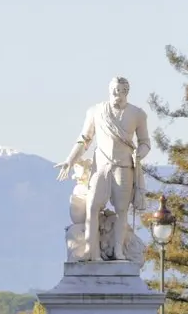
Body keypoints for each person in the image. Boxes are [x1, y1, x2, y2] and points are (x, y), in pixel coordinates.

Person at [55, 76, 151, 262]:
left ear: (127, 92)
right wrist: (70, 159)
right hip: (101, 166)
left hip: (123, 166)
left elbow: (145, 142)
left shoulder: (138, 114)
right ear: (110, 91)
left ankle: (118, 251)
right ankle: (92, 251)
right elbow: (84, 139)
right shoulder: (96, 111)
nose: (118, 94)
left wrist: (139, 154)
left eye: (122, 90)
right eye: (115, 90)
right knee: (92, 206)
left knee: (122, 210)